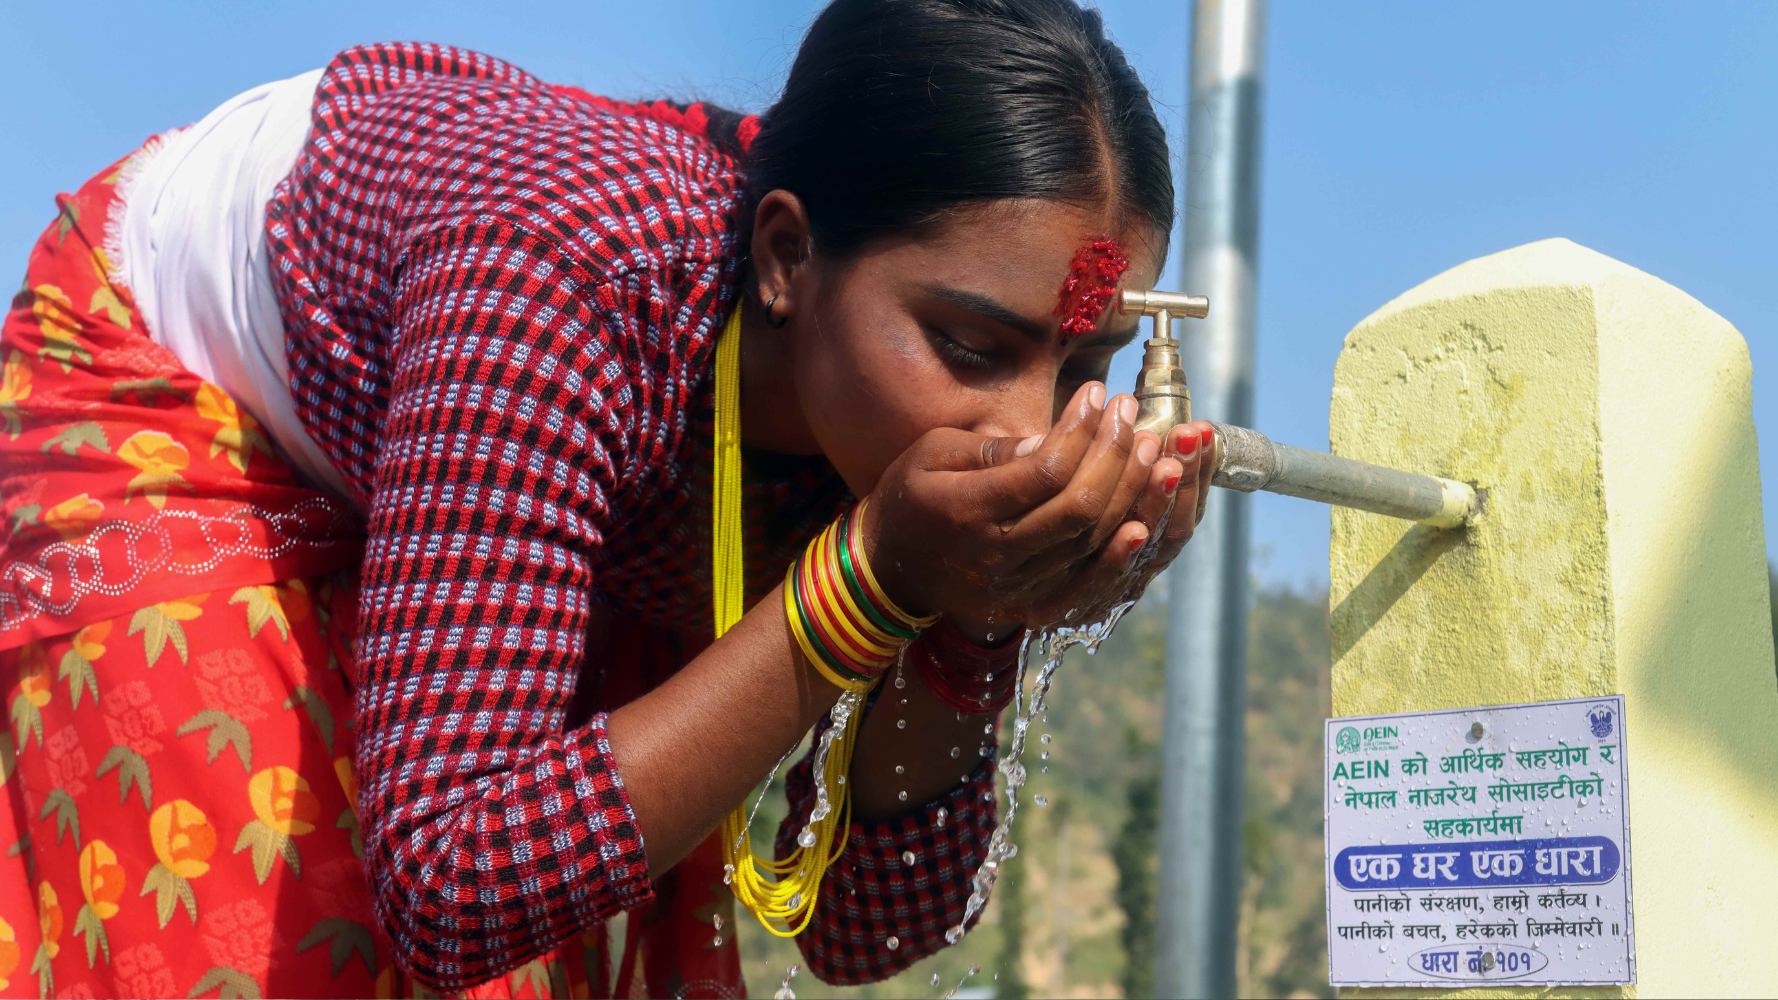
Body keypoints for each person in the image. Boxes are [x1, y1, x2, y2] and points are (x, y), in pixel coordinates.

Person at [0, 0, 1216, 995]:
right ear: (786, 260)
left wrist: (981, 620)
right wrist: (874, 584)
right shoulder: (561, 281)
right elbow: (450, 886)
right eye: (965, 346)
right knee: (292, 934)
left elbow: (862, 932)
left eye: (1083, 368)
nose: (1027, 428)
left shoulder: (874, 429)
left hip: (608, 453)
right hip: (185, 382)